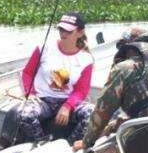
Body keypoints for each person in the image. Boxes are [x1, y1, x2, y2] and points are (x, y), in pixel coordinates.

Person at [18, 12, 94, 143]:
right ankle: (41, 145)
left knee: (92, 113)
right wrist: (29, 93)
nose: (63, 34)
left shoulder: (86, 59)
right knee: (26, 114)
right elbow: (27, 73)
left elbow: (81, 90)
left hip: (67, 100)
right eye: (61, 29)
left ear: (80, 33)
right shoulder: (44, 48)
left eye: (68, 31)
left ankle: (70, 146)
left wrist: (68, 106)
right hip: (43, 100)